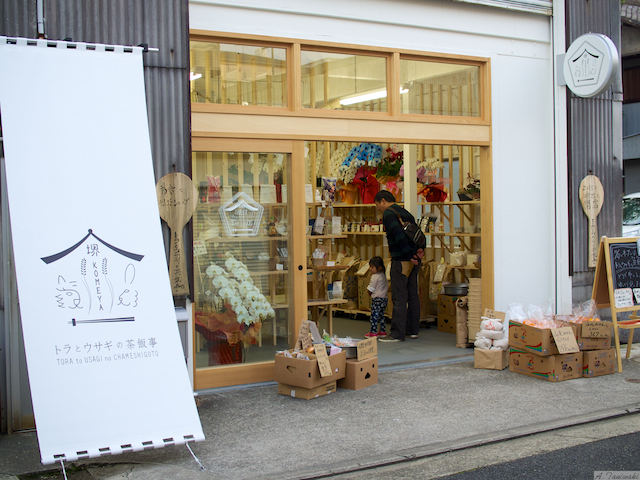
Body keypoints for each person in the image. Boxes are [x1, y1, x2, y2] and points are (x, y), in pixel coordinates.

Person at [374, 190, 424, 342]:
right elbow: (418, 234)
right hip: (414, 259)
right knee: (412, 295)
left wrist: (408, 255)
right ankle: (412, 330)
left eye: (377, 205)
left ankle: (397, 333)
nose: (377, 208)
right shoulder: (404, 212)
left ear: (383, 201)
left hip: (401, 260)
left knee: (399, 297)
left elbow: (398, 236)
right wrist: (416, 253)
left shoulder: (388, 214)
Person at [365, 256, 388, 338]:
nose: (370, 269)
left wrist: (369, 293)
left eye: (372, 267)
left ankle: (373, 332)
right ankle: (382, 331)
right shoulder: (383, 276)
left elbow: (371, 288)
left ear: (379, 267)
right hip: (384, 298)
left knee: (374, 316)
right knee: (381, 315)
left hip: (377, 298)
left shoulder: (375, 277)